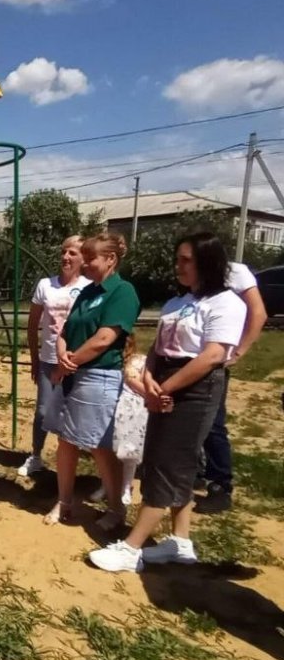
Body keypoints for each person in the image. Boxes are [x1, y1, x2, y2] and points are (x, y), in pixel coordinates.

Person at [90, 232, 246, 572]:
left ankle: (132, 548)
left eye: (186, 260)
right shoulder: (177, 303)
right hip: (164, 380)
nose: (178, 266)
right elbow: (158, 349)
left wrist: (165, 388)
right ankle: (181, 541)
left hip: (196, 387)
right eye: (178, 259)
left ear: (207, 262)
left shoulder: (226, 303)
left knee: (168, 462)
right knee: (169, 459)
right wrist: (149, 379)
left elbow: (212, 355)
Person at [43, 233, 140, 528]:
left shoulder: (122, 292)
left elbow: (105, 338)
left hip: (98, 375)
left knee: (99, 445)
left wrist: (70, 361)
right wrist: (62, 353)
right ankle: (64, 501)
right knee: (65, 440)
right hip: (73, 373)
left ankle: (116, 510)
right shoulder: (87, 292)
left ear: (110, 259)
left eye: (90, 257)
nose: (84, 263)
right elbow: (65, 330)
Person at [195, 260, 267, 514]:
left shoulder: (234, 271)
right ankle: (197, 471)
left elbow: (258, 313)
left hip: (214, 361)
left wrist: (238, 352)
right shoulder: (193, 270)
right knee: (190, 419)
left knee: (213, 422)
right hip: (189, 359)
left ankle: (220, 485)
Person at [19, 236, 89, 476]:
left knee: (72, 413)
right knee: (42, 411)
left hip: (75, 361)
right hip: (48, 359)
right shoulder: (45, 285)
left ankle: (67, 462)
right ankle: (36, 455)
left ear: (83, 259)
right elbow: (32, 325)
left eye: (72, 253)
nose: (66, 257)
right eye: (64, 251)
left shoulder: (89, 286)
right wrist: (34, 359)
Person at [105, 335, 148, 505]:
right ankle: (107, 484)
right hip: (111, 410)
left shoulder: (139, 361)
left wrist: (131, 379)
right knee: (109, 450)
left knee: (129, 451)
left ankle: (126, 486)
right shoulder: (108, 362)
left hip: (132, 413)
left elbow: (145, 388)